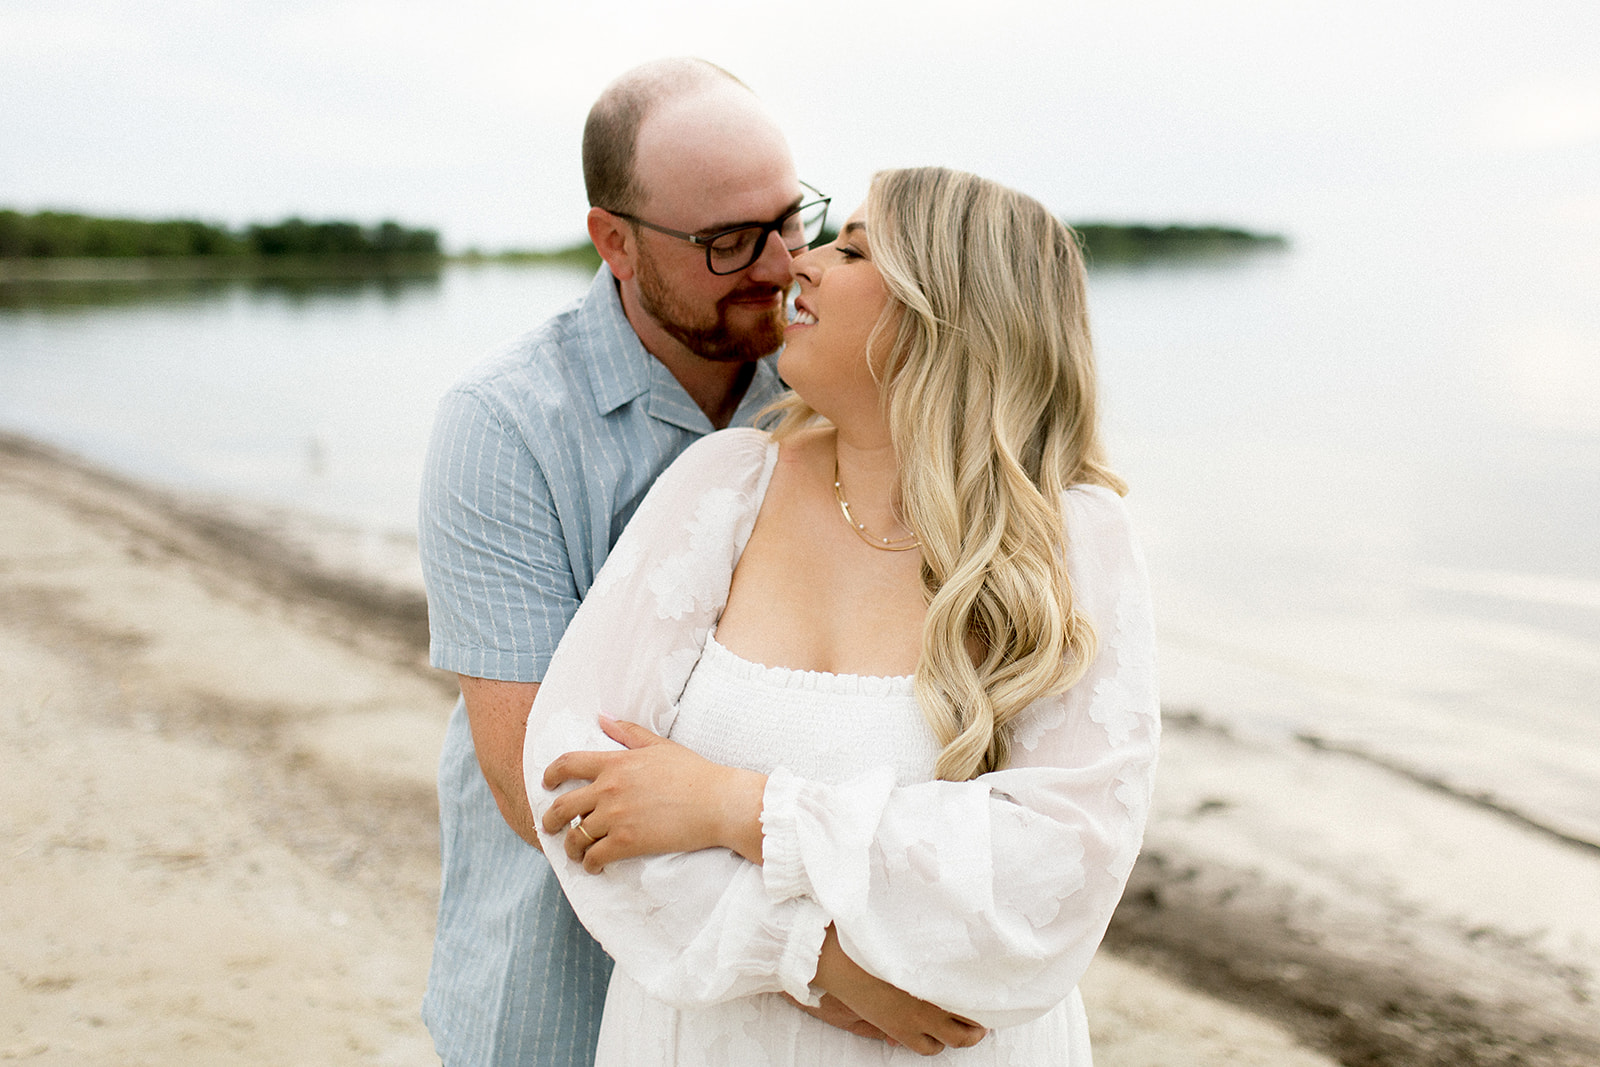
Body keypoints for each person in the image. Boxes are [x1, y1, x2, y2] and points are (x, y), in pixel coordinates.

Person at [524, 167, 1161, 1064]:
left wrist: (735, 806)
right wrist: (804, 953)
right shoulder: (724, 487)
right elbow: (569, 780)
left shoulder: (1070, 539)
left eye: (854, 251)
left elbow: (1056, 872)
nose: (801, 263)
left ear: (949, 311)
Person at [418, 58, 834, 1065]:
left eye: (791, 219)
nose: (779, 265)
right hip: (559, 993)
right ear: (614, 241)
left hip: (782, 1023)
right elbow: (542, 790)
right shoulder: (504, 426)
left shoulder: (831, 385)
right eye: (727, 241)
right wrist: (809, 952)